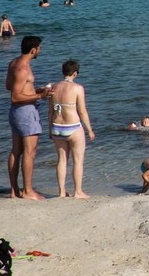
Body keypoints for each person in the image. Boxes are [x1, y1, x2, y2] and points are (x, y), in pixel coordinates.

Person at [6, 35, 52, 199]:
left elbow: (9, 86)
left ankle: (14, 190)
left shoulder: (13, 63)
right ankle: (27, 191)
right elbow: (15, 96)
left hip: (16, 112)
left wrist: (35, 90)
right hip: (25, 111)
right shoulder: (23, 68)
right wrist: (40, 97)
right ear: (33, 50)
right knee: (29, 151)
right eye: (39, 48)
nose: (40, 50)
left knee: (16, 151)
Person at [47, 59, 95, 199]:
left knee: (61, 160)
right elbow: (82, 112)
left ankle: (61, 192)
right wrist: (89, 130)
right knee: (78, 161)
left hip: (57, 127)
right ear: (75, 73)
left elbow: (50, 111)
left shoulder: (53, 87)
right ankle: (78, 192)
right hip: (72, 127)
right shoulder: (77, 88)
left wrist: (50, 129)